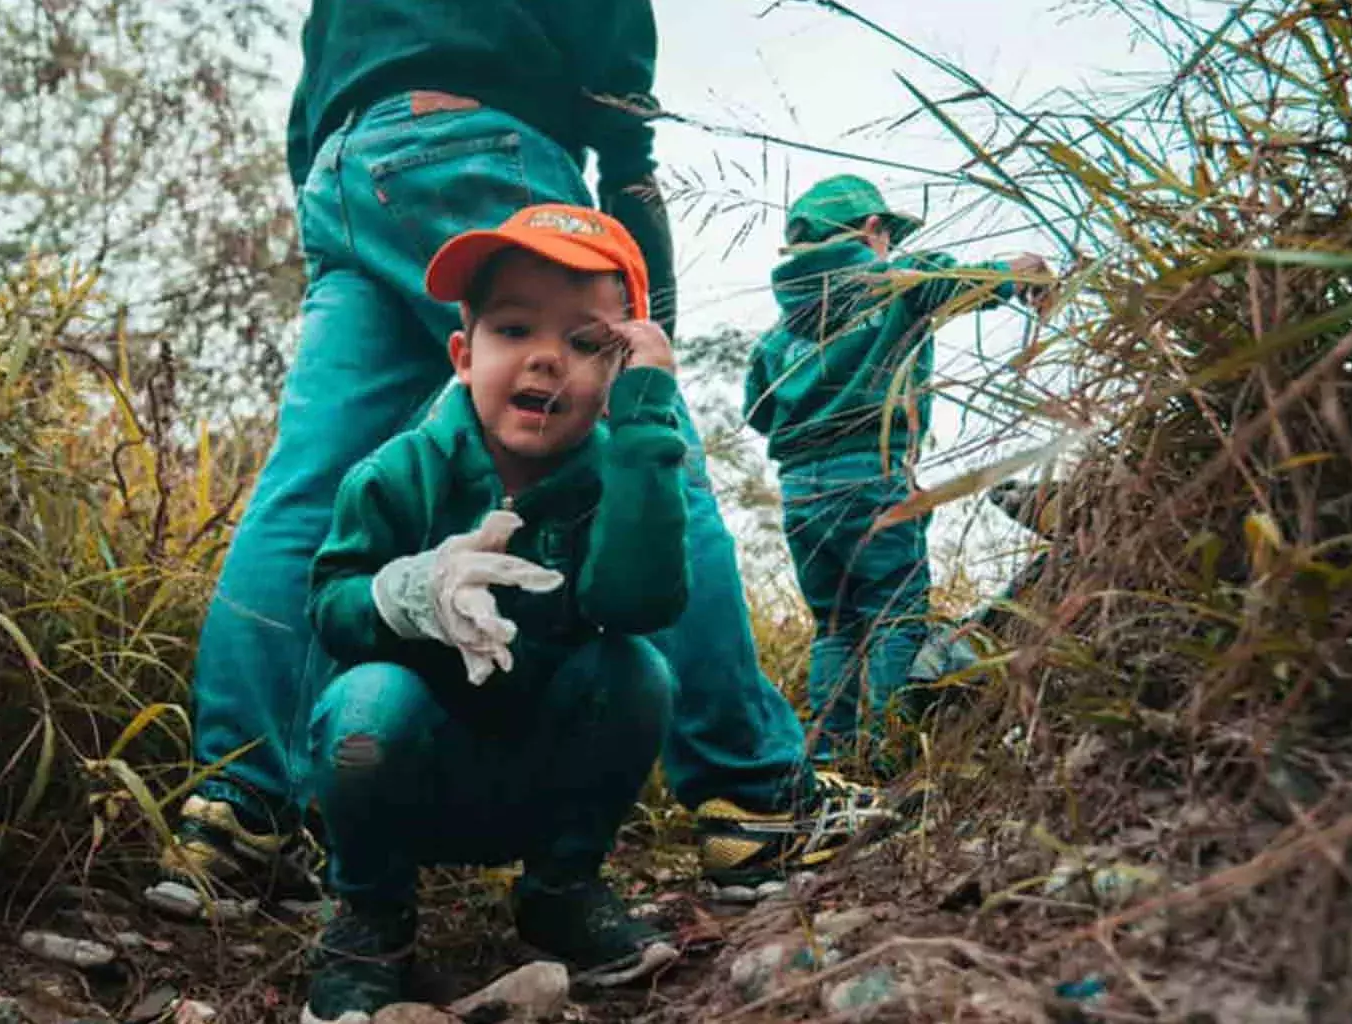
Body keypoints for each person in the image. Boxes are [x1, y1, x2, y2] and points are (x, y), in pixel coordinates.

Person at [168, 0, 846, 906]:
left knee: (308, 490)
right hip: (483, 147)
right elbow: (624, 122)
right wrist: (649, 347)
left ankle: (238, 809)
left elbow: (313, 100)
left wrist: (344, 177)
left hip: (343, 174)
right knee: (653, 455)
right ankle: (754, 793)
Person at [299, 203, 684, 1023]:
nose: (547, 358)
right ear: (464, 356)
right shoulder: (396, 474)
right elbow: (330, 606)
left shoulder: (617, 473)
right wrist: (408, 594)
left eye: (587, 344)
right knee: (365, 705)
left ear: (620, 373)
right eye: (514, 330)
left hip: (540, 773)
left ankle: (561, 891)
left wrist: (649, 423)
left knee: (636, 671)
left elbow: (640, 603)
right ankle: (371, 917)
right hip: (405, 771)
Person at [742, 173, 1052, 775]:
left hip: (800, 493)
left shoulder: (777, 335)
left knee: (834, 627)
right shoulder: (897, 283)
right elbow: (978, 282)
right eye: (888, 235)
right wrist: (1028, 266)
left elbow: (758, 411)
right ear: (872, 229)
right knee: (894, 615)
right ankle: (893, 759)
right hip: (873, 476)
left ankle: (830, 762)